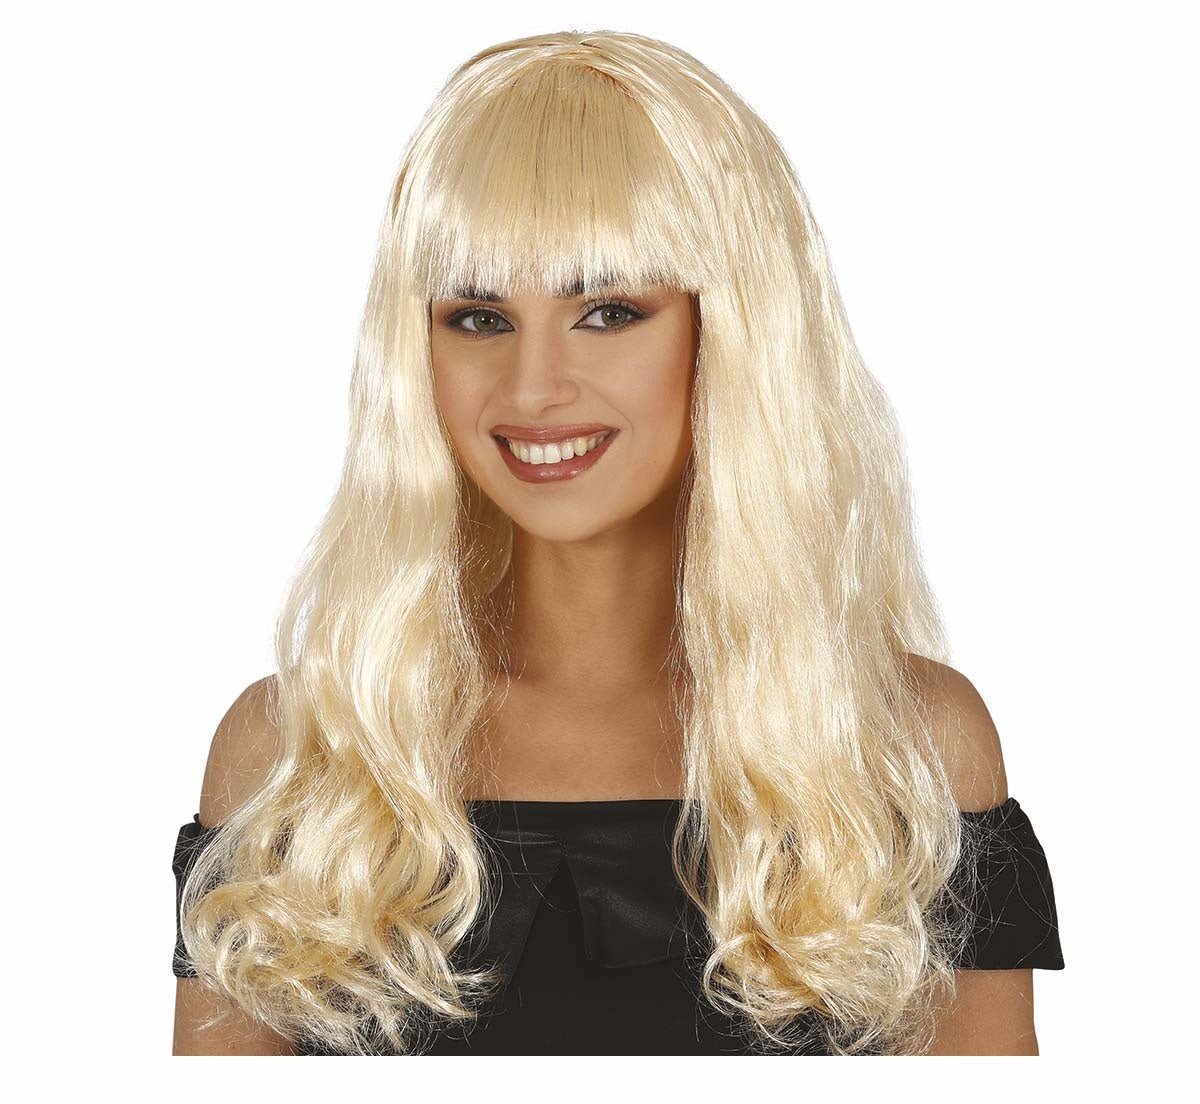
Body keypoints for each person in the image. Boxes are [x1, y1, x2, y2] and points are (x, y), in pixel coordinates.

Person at [172, 29, 1064, 1056]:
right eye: (478, 317)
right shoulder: (301, 758)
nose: (533, 388)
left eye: (606, 311)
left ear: (728, 331)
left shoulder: (904, 748)